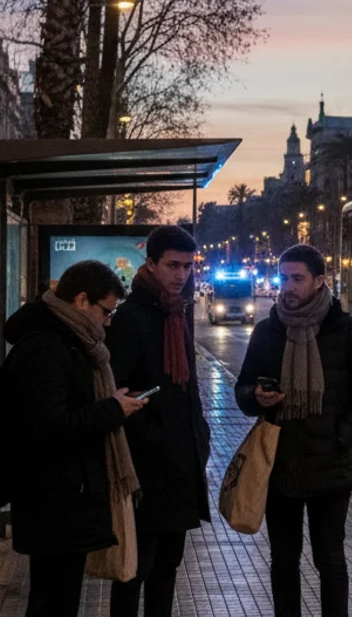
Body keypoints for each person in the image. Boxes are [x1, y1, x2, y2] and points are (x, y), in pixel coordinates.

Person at [234, 244, 352, 617]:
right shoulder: (268, 331)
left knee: (330, 559)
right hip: (279, 465)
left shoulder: (349, 331)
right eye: (283, 277)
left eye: (297, 278)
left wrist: (340, 437)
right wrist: (256, 397)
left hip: (330, 467)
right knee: (283, 559)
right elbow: (243, 389)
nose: (288, 286)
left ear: (320, 281)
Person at [3, 260, 147, 617]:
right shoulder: (47, 346)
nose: (108, 321)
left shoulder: (68, 339)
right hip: (53, 497)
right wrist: (113, 410)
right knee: (53, 600)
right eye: (106, 311)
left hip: (66, 496)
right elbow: (49, 424)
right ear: (82, 301)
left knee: (59, 597)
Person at [106, 226, 210, 617]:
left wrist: (200, 436)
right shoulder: (131, 318)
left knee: (168, 568)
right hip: (146, 469)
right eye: (172, 265)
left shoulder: (177, 313)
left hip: (181, 466)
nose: (180, 275)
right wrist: (154, 439)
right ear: (150, 264)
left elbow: (188, 386)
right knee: (135, 569)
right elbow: (119, 391)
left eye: (187, 266)